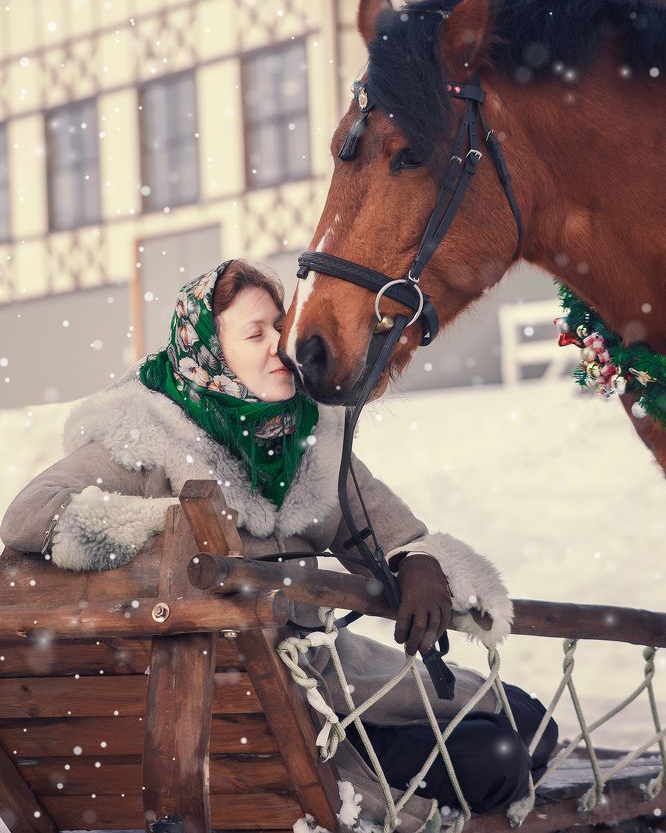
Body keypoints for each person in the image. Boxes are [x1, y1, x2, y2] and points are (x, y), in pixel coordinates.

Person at [1, 259, 557, 831]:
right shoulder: (146, 438)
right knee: (498, 760)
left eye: (280, 326)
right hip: (249, 719)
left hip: (328, 679)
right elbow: (28, 515)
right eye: (254, 334)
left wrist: (417, 561)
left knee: (531, 724)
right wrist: (181, 532)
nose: (279, 346)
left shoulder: (304, 438)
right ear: (208, 355)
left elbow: (388, 531)